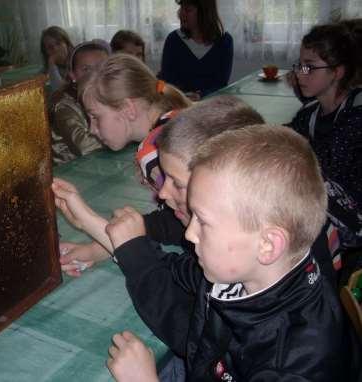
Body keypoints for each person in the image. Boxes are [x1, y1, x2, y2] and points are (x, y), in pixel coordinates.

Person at [105, 125, 346, 381]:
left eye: (203, 221)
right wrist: (121, 243)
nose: (189, 234)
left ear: (267, 245)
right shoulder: (246, 271)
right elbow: (178, 271)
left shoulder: (290, 366)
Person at [56, 96, 266, 278]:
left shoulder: (229, 261)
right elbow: (162, 224)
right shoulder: (213, 225)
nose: (163, 193)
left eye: (177, 183)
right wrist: (98, 248)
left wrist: (91, 224)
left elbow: (169, 295)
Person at [288, 22, 362, 269]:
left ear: (337, 72)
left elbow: (330, 176)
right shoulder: (309, 112)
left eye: (310, 66)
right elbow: (286, 141)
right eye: (299, 64)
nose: (300, 73)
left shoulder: (356, 117)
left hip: (352, 221)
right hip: (322, 205)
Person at [80, 53, 191, 152]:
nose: (92, 130)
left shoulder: (162, 152)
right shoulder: (175, 123)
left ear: (128, 109)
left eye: (95, 117)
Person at [50, 40, 109, 164]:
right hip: (71, 169)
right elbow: (84, 146)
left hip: (101, 160)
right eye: (86, 69)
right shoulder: (63, 105)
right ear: (73, 76)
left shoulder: (110, 94)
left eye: (102, 67)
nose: (95, 74)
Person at [159, 0, 233, 98]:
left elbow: (221, 84)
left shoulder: (224, 41)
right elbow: (166, 81)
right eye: (181, 8)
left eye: (188, 10)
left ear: (205, 13)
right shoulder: (173, 40)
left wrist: (200, 95)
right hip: (179, 103)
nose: (181, 14)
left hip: (210, 104)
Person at [40, 26, 74, 93]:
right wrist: (52, 65)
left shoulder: (79, 61)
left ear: (67, 44)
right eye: (50, 47)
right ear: (46, 52)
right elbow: (58, 91)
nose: (55, 49)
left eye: (58, 43)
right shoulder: (45, 73)